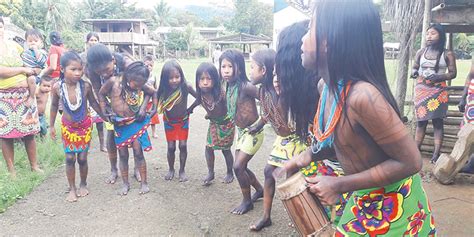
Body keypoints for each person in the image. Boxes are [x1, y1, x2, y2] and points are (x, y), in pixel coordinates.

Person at [283, 0, 436, 235]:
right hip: (364, 198)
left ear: (330, 40)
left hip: (395, 206)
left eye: (310, 28)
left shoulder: (363, 97)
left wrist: (339, 184)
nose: (303, 39)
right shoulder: (325, 88)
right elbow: (345, 140)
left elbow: (411, 162)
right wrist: (309, 155)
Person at [49, 51, 105, 202]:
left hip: (85, 127)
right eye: (73, 69)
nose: (77, 73)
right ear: (62, 69)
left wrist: (104, 116)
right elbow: (54, 106)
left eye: (80, 69)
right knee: (69, 158)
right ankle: (72, 188)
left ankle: (83, 183)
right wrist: (51, 126)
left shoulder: (85, 86)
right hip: (68, 128)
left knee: (82, 158)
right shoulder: (57, 87)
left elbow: (93, 103)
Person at [86, 43, 145, 184]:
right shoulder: (91, 70)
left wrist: (140, 109)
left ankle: (137, 168)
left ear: (113, 60)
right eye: (100, 73)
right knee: (112, 136)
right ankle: (114, 170)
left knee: (136, 137)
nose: (105, 74)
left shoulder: (127, 64)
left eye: (107, 69)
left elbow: (143, 87)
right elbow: (99, 92)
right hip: (112, 104)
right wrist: (106, 114)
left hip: (133, 101)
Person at [99, 61, 156, 195]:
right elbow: (101, 94)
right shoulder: (113, 82)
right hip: (119, 125)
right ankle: (125, 184)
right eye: (136, 84)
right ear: (129, 77)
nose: (138, 87)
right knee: (123, 155)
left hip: (135, 122)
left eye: (141, 85)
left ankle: (144, 183)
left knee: (138, 152)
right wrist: (105, 109)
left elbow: (152, 92)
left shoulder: (140, 85)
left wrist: (145, 108)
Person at [220, 49, 264, 215]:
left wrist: (260, 124)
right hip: (242, 133)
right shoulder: (227, 86)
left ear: (239, 68)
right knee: (241, 166)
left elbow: (268, 102)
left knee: (238, 167)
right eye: (223, 66)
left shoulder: (247, 86)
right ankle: (259, 190)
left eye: (230, 66)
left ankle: (247, 202)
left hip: (254, 133)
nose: (226, 70)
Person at [0, 16, 41, 177]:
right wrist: (22, 70)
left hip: (25, 94)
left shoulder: (15, 46)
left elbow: (30, 65)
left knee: (29, 132)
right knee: (5, 134)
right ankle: (12, 171)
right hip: (3, 96)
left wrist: (31, 70)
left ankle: (34, 166)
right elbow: (1, 72)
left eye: (0, 26)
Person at [411, 24, 457, 163]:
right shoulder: (421, 52)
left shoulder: (447, 54)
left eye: (433, 34)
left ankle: (436, 154)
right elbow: (415, 67)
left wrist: (440, 77)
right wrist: (414, 72)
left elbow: (453, 73)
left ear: (440, 36)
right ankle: (415, 152)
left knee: (437, 123)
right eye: (427, 34)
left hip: (438, 91)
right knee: (421, 122)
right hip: (422, 91)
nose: (429, 37)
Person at [157, 59, 198, 182]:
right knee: (171, 147)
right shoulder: (164, 89)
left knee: (183, 145)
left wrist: (190, 108)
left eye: (177, 77)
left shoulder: (186, 87)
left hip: (183, 120)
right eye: (171, 78)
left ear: (181, 75)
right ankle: (171, 169)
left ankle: (182, 170)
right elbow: (154, 98)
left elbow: (199, 98)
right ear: (165, 79)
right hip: (169, 121)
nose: (174, 80)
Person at [195, 62, 235, 186]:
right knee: (209, 147)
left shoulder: (221, 94)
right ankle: (211, 172)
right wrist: (189, 110)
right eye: (202, 79)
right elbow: (197, 101)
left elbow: (231, 106)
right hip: (214, 123)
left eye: (209, 79)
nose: (205, 82)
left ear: (215, 80)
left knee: (225, 150)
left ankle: (230, 172)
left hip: (226, 123)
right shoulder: (201, 94)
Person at [81, 32, 106, 152]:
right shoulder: (82, 56)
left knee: (100, 120)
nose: (93, 42)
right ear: (87, 42)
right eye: (91, 40)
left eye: (96, 40)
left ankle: (102, 145)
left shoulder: (100, 56)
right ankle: (87, 145)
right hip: (85, 88)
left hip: (97, 90)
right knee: (87, 120)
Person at [21, 28, 47, 107]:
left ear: (41, 42)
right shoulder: (25, 52)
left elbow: (41, 62)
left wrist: (36, 50)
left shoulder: (42, 52)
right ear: (26, 42)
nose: (33, 43)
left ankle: (31, 97)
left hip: (35, 76)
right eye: (30, 41)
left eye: (35, 41)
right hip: (25, 74)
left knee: (31, 79)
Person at [458, 60, 474, 174]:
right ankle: (471, 164)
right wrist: (463, 97)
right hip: (472, 98)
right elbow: (470, 75)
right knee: (468, 131)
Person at [144, 55, 160, 138]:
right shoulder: (142, 76)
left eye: (151, 65)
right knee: (143, 117)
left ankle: (153, 132)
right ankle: (144, 132)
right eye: (147, 65)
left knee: (153, 117)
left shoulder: (153, 76)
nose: (149, 67)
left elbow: (155, 87)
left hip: (151, 100)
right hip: (143, 101)